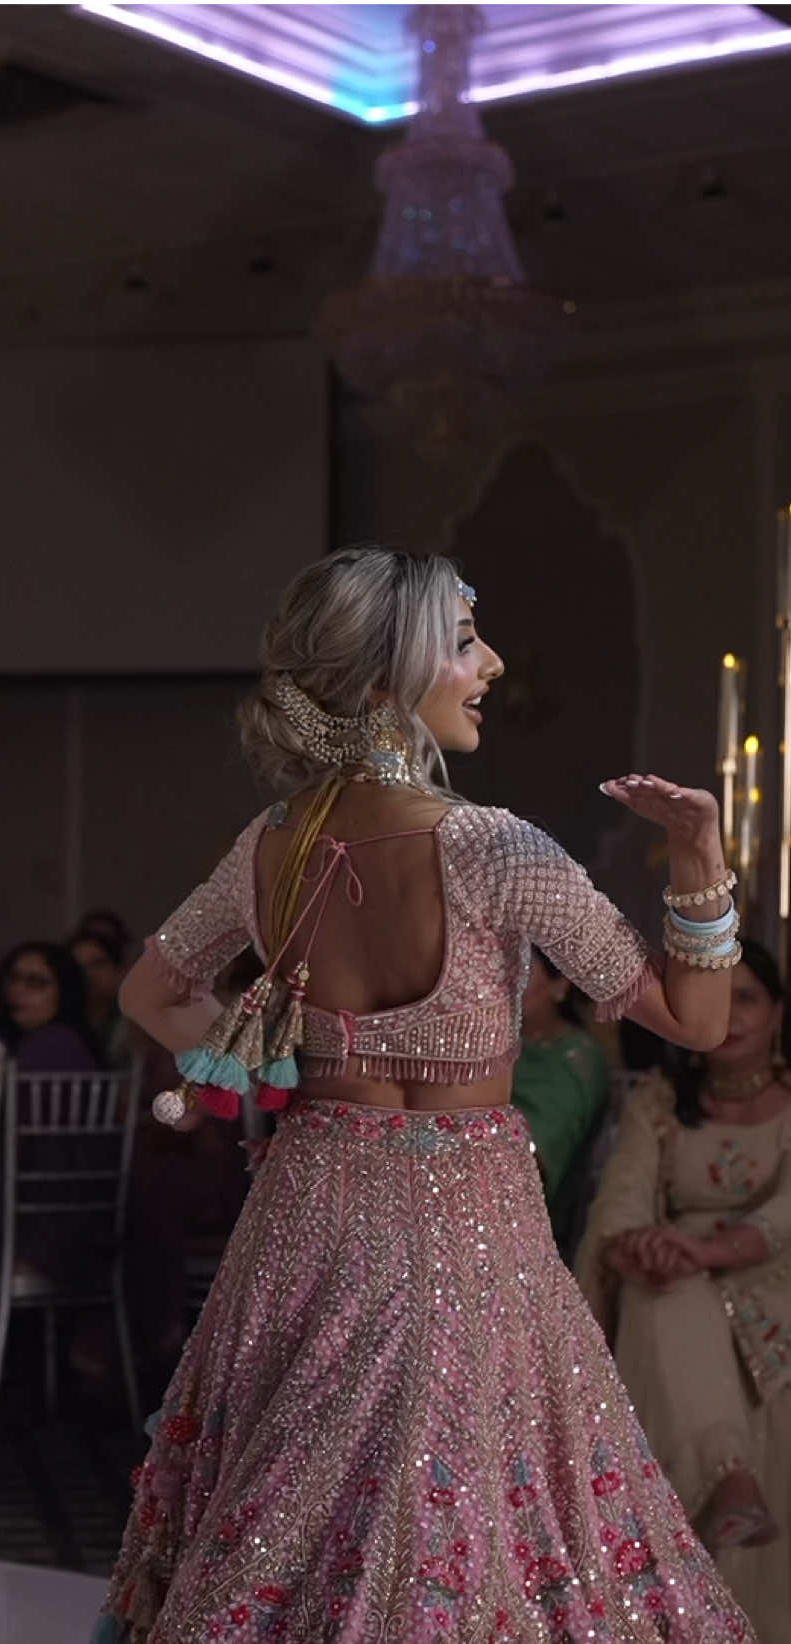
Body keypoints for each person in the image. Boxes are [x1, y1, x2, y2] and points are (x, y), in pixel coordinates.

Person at [91, 547, 748, 1641]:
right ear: (391, 676)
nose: (490, 664)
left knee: (291, 1526)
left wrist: (265, 1063)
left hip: (309, 1214)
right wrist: (697, 860)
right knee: (463, 1527)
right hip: (466, 1233)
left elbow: (152, 994)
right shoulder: (492, 847)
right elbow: (699, 1021)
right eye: (463, 642)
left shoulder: (273, 845)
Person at [576, 940, 791, 1639]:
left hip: (772, 1272)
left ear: (780, 1010)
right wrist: (640, 1243)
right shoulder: (662, 1101)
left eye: (748, 998)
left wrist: (708, 1248)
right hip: (677, 1275)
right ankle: (727, 1477)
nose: (730, 1016)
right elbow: (624, 1199)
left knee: (676, 1300)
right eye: (715, 998)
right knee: (660, 1297)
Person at [511, 948, 610, 1249]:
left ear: (560, 984)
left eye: (522, 970)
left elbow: (524, 1171)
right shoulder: (492, 1049)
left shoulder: (571, 1060)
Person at [0, 940, 102, 1073]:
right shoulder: (15, 1038)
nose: (16, 989)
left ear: (65, 992)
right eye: (13, 979)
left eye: (35, 982)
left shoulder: (58, 1043)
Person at [70, 928, 132, 1067]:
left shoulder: (137, 1023)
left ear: (120, 971)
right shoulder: (58, 1028)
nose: (87, 975)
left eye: (98, 964)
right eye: (77, 966)